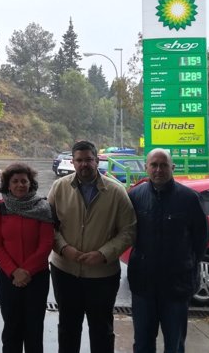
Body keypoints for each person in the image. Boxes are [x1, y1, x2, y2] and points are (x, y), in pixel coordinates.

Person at [48, 140, 136, 353]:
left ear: (97, 161)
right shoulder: (59, 187)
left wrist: (103, 254)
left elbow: (129, 230)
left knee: (101, 330)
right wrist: (63, 248)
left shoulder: (116, 191)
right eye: (79, 160)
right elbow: (48, 225)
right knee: (68, 328)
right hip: (65, 271)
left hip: (103, 275)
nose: (84, 164)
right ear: (73, 162)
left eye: (89, 159)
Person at [127, 148, 209, 353]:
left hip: (176, 287)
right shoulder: (135, 197)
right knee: (142, 343)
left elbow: (202, 237)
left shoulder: (189, 198)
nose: (158, 170)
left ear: (172, 167)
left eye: (163, 165)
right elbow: (125, 233)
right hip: (143, 286)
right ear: (146, 168)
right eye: (153, 165)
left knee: (174, 344)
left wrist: (186, 263)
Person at [0, 162, 54, 353]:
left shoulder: (43, 207)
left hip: (37, 277)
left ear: (30, 183)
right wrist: (14, 271)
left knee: (34, 329)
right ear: (7, 185)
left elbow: (46, 244)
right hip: (9, 278)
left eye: (24, 181)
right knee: (11, 329)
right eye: (15, 181)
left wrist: (26, 272)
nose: (20, 185)